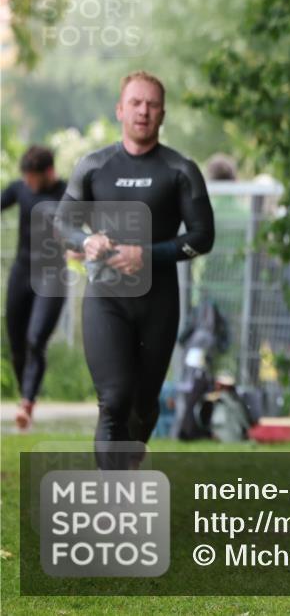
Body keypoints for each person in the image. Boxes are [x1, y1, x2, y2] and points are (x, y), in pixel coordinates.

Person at [55, 71, 214, 469]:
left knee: (143, 405)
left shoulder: (180, 169)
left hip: (158, 302)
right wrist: (84, 240)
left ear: (162, 114)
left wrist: (147, 254)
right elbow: (62, 224)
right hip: (106, 299)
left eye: (152, 104)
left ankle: (129, 456)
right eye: (136, 103)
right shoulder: (93, 166)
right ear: (120, 110)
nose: (143, 111)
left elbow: (203, 236)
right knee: (113, 400)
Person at [1, 145, 72, 430]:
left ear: (49, 172)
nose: (29, 182)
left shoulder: (67, 192)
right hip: (22, 272)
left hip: (52, 275)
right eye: (26, 176)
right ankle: (25, 394)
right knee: (18, 345)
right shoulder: (20, 189)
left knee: (36, 339)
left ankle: (27, 403)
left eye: (33, 177)